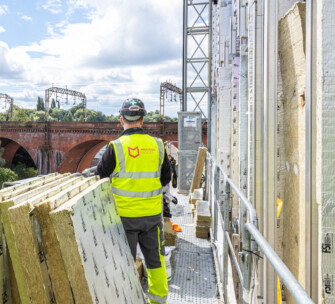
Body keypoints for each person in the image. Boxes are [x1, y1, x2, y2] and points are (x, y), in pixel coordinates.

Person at [95, 98, 171, 304]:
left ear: (121, 120)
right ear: (142, 120)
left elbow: (99, 178)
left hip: (124, 219)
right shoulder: (158, 146)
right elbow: (166, 179)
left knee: (122, 264)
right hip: (152, 217)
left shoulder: (115, 147)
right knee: (156, 263)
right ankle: (158, 301)